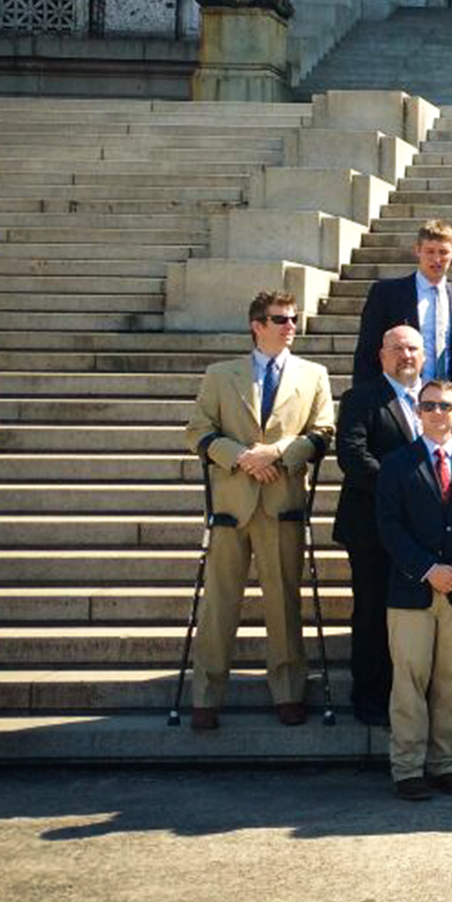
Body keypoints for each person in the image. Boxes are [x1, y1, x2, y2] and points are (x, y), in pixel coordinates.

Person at [182, 290, 337, 731]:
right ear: (257, 324)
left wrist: (278, 453)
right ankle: (206, 695)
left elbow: (323, 431)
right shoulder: (220, 374)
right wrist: (240, 456)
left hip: (282, 501)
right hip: (232, 504)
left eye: (293, 318)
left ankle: (289, 691)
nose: (290, 326)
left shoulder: (313, 374)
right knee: (219, 605)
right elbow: (197, 432)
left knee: (284, 602)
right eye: (280, 319)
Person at [374, 378, 452, 800]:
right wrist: (427, 568)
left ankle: (445, 764)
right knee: (409, 680)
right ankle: (407, 769)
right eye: (428, 406)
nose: (437, 413)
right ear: (418, 412)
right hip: (412, 590)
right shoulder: (396, 463)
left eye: (445, 406)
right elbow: (389, 526)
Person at [332, 324, 428, 727]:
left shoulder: (438, 400)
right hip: (372, 527)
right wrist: (405, 493)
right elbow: (353, 456)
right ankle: (371, 697)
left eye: (413, 348)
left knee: (417, 618)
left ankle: (416, 695)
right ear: (381, 355)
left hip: (427, 530)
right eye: (397, 348)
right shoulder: (362, 398)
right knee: (373, 613)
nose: (406, 355)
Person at [352, 219, 452, 392]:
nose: (437, 259)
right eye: (430, 251)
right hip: (397, 396)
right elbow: (367, 351)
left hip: (444, 402)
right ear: (417, 251)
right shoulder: (386, 293)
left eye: (443, 252)